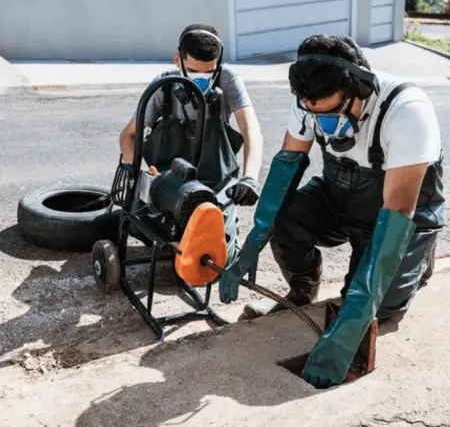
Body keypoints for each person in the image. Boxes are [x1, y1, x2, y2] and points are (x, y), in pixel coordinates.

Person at [218, 34, 445, 388]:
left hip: (399, 215)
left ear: (359, 87)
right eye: (312, 111)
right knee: (285, 218)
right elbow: (285, 171)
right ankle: (302, 288)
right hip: (339, 195)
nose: (322, 123)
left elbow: (398, 209)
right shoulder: (310, 99)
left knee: (377, 309)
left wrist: (346, 333)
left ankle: (418, 259)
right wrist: (252, 244)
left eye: (332, 113)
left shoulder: (405, 111)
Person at [119, 23, 263, 264]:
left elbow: (252, 131)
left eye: (210, 72)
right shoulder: (162, 87)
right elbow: (128, 135)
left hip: (214, 186)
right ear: (178, 60)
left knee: (218, 259)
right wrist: (135, 173)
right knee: (141, 222)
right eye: (195, 72)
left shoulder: (227, 79)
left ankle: (224, 228)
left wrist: (250, 178)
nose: (204, 79)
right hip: (170, 185)